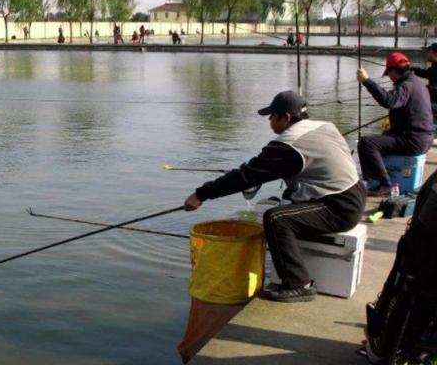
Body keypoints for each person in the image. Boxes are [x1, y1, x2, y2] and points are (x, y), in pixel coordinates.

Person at [184, 91, 366, 302]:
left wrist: (200, 194)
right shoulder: (324, 126)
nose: (269, 120)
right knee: (287, 200)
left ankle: (299, 284)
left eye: (272, 116)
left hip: (340, 208)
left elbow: (244, 177)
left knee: (276, 219)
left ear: (286, 117)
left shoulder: (288, 145)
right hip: (355, 192)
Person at [357, 52, 434, 196]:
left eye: (389, 73)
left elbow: (388, 101)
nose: (390, 78)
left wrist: (367, 81)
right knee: (382, 137)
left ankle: (384, 184)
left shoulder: (407, 86)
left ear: (393, 70)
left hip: (413, 141)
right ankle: (376, 179)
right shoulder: (418, 84)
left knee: (366, 143)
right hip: (423, 139)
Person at [411, 42, 437, 115]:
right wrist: (410, 69)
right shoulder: (434, 66)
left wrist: (422, 88)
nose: (426, 54)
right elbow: (425, 73)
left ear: (435, 53)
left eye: (429, 51)